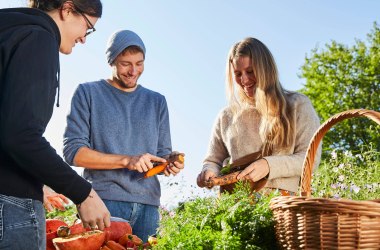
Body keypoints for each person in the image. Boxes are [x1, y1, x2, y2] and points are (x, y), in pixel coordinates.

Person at [0, 1, 111, 249]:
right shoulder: (38, 38)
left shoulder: (9, 29)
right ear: (67, 9)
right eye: (88, 27)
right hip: (9, 205)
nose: (84, 38)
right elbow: (20, 135)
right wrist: (84, 194)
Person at [63, 29, 185, 242]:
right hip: (104, 203)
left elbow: (161, 157)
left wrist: (170, 163)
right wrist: (127, 160)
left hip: (149, 206)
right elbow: (73, 152)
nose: (133, 71)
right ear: (111, 61)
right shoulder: (88, 93)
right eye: (125, 64)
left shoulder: (157, 102)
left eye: (139, 63)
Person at [197, 37, 321, 195]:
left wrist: (268, 165)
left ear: (266, 69)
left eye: (250, 71)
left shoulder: (297, 105)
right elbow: (213, 160)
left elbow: (309, 159)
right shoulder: (226, 116)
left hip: (282, 205)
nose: (244, 80)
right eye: (237, 74)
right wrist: (208, 171)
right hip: (235, 206)